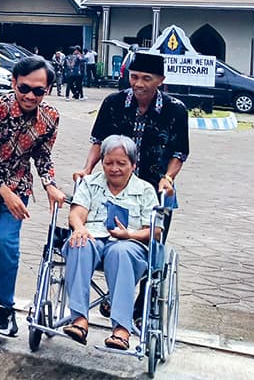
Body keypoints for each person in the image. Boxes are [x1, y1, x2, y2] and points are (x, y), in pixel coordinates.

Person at [0, 55, 66, 335]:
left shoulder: (50, 118)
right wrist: (3, 190)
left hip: (19, 187)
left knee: (6, 243)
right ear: (13, 83)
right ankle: (1, 305)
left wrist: (49, 184)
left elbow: (43, 155)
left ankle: (4, 309)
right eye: (24, 88)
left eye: (38, 91)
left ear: (47, 91)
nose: (30, 96)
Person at [62, 135, 160, 350]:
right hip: (93, 236)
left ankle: (121, 330)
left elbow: (154, 232)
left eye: (121, 163)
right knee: (79, 243)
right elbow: (76, 213)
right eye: (109, 162)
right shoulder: (90, 183)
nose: (114, 168)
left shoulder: (145, 190)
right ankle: (79, 319)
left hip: (129, 244)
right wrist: (79, 228)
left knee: (120, 252)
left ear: (133, 165)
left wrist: (130, 235)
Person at [75, 51, 188, 235]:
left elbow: (179, 153)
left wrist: (168, 178)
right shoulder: (113, 102)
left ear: (161, 80)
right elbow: (98, 141)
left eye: (146, 78)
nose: (138, 84)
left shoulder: (175, 109)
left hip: (155, 185)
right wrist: (87, 169)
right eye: (134, 77)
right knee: (107, 234)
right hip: (114, 183)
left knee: (151, 240)